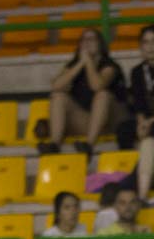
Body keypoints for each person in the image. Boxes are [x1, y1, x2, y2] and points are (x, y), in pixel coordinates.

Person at [40, 28, 127, 156]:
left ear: (100, 44)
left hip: (109, 121)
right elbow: (56, 86)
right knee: (58, 96)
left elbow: (97, 86)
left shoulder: (110, 65)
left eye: (91, 39)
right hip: (86, 121)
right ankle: (54, 144)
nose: (87, 43)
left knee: (102, 95)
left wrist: (89, 62)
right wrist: (80, 63)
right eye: (84, 40)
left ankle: (89, 145)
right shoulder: (74, 64)